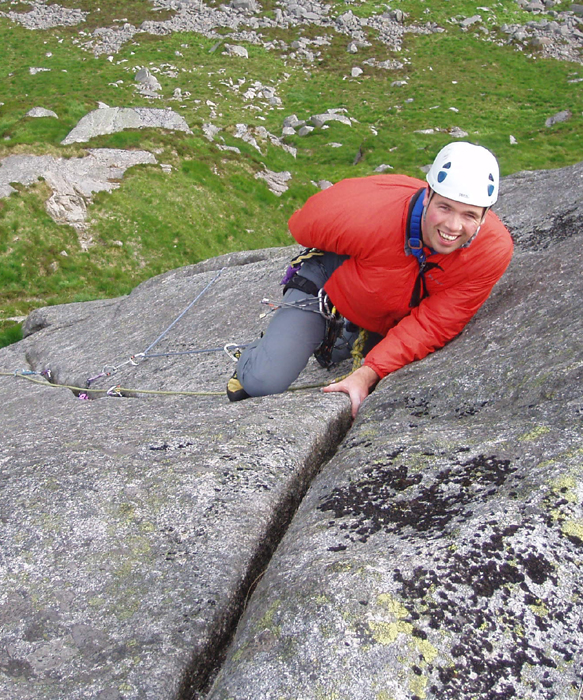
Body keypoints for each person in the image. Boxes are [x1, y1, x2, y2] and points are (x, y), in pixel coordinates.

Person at [227, 142, 513, 417]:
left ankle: (342, 336)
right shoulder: (370, 216)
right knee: (263, 381)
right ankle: (254, 357)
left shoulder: (490, 251)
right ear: (427, 195)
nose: (452, 226)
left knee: (336, 358)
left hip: (385, 309)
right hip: (327, 285)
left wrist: (367, 372)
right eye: (445, 207)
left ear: (485, 216)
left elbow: (435, 322)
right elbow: (301, 225)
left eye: (469, 215)